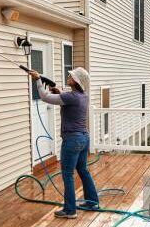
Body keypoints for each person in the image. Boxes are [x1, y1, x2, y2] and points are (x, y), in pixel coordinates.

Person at [28, 67, 99, 219]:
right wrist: (59, 93)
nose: (69, 76)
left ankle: (70, 210)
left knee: (68, 174)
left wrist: (38, 80)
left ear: (77, 81)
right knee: (83, 170)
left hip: (72, 140)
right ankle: (92, 202)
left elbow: (45, 97)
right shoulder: (83, 96)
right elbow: (68, 100)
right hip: (84, 138)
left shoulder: (71, 97)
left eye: (71, 76)